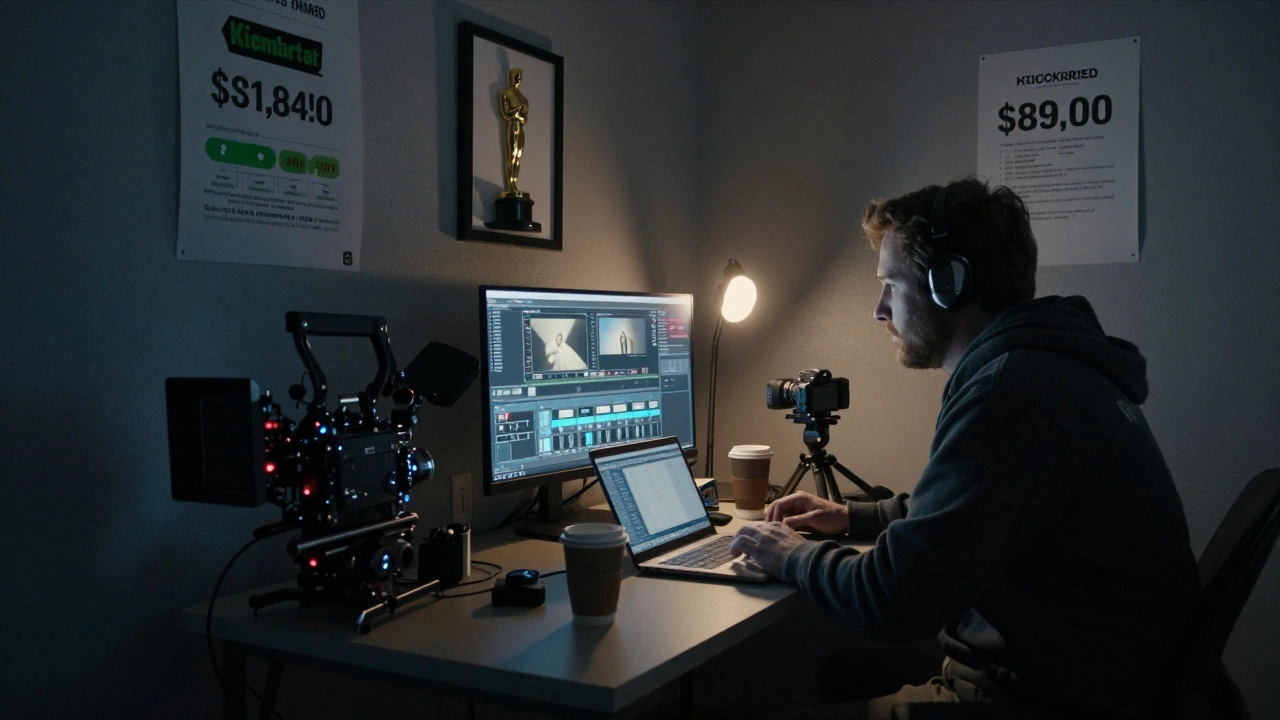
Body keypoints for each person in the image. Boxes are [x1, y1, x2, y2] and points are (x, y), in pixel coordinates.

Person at [729, 178, 1199, 719]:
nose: (879, 310)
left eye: (891, 284)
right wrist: (855, 516)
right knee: (841, 673)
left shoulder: (1009, 395)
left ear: (948, 285)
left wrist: (791, 555)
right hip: (1084, 674)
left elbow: (893, 600)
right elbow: (981, 511)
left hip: (1040, 696)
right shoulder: (1049, 370)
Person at [498, 67, 529, 198]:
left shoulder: (523, 98)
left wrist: (518, 112)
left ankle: (514, 183)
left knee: (518, 155)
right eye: (517, 75)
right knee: (512, 154)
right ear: (511, 77)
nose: (519, 78)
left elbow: (525, 118)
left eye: (520, 76)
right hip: (513, 125)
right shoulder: (505, 93)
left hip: (520, 126)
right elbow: (506, 114)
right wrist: (518, 110)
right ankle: (511, 184)